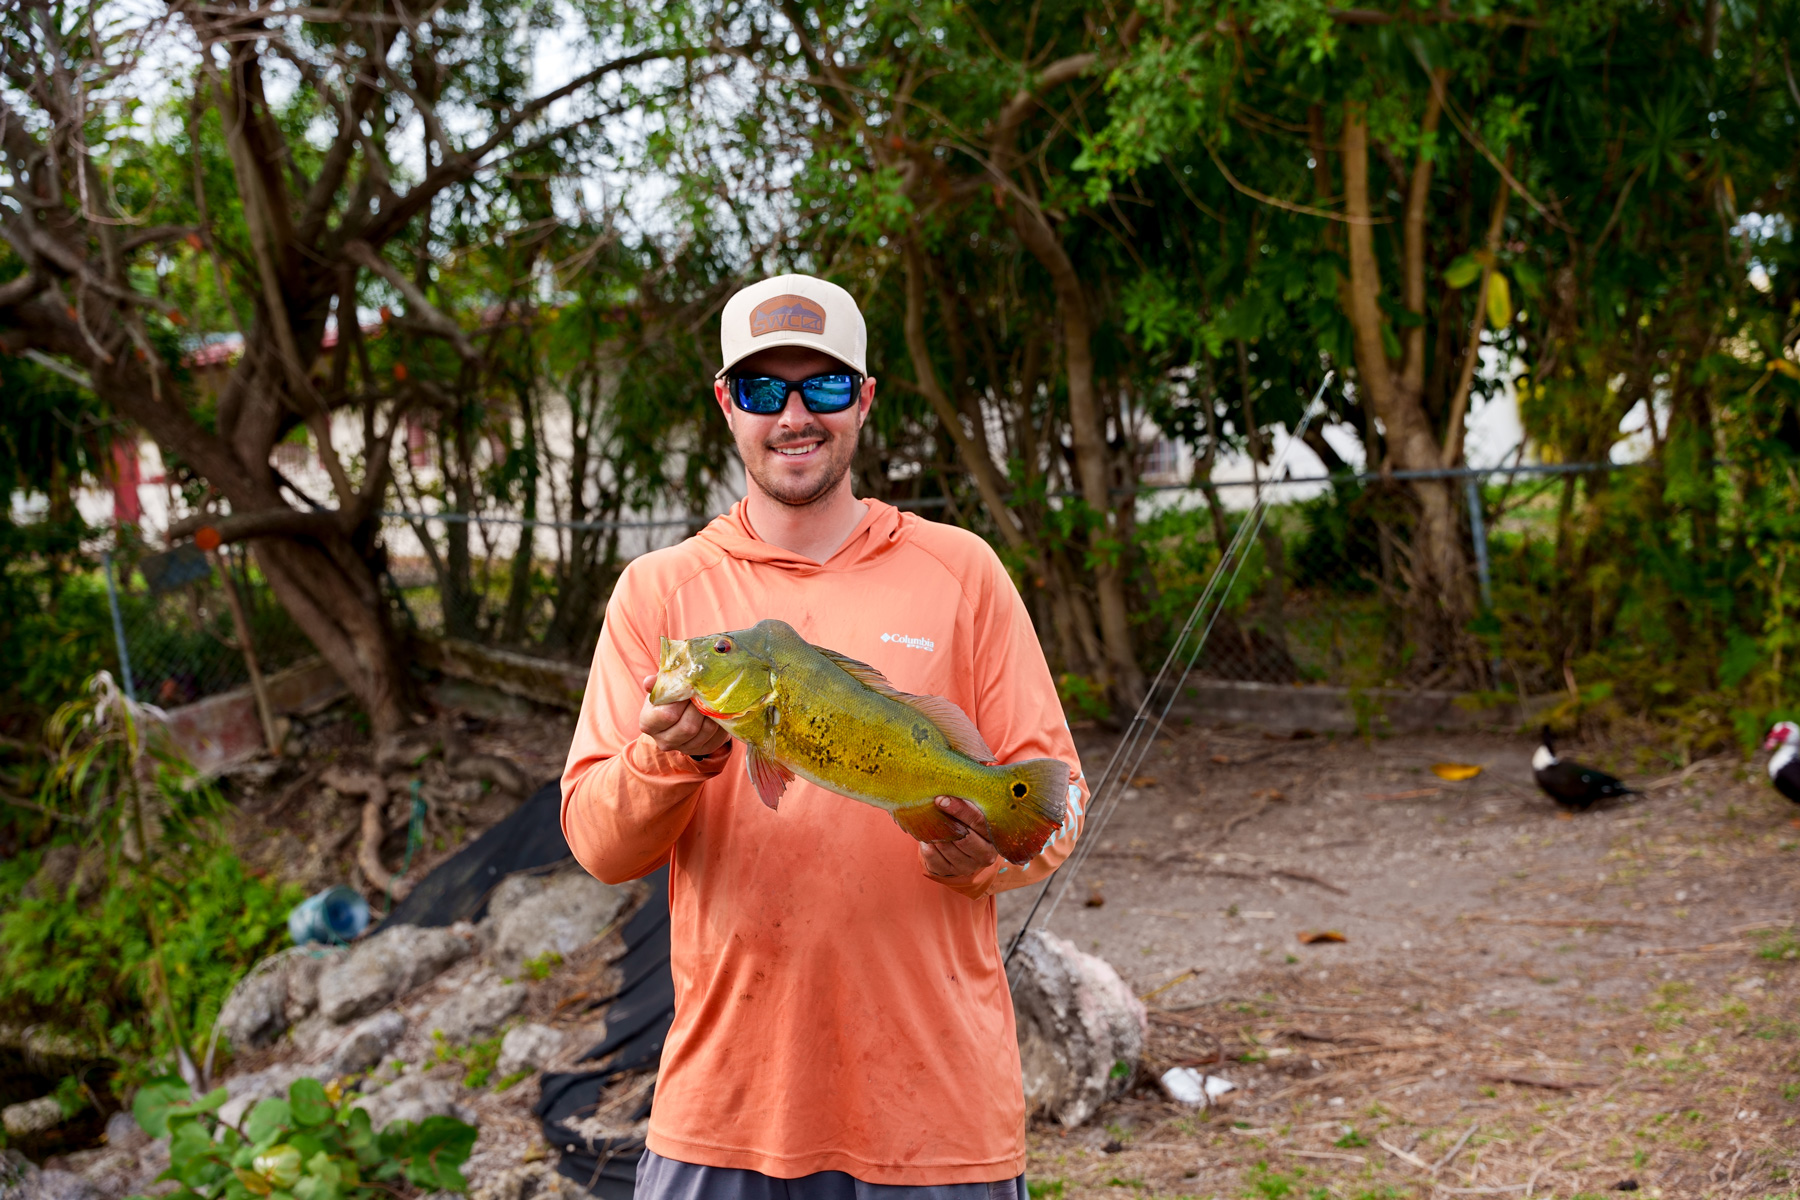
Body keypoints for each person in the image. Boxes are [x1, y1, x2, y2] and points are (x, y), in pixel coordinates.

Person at [561, 273, 1089, 1199]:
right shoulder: (661, 593)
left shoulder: (961, 570)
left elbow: (1054, 803)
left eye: (825, 387)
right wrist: (669, 757)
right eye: (765, 390)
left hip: (937, 1114)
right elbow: (600, 846)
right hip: (726, 1116)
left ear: (865, 400)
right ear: (727, 402)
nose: (794, 415)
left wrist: (982, 859)